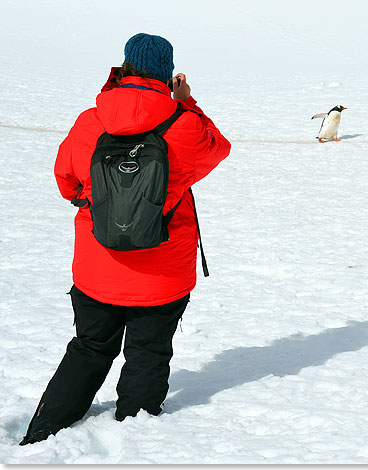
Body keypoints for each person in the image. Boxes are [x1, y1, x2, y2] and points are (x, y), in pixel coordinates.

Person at [20, 33, 231, 445]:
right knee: (148, 353)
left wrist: (98, 201)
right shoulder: (184, 124)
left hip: (98, 269)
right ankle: (136, 438)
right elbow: (217, 148)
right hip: (163, 274)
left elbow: (67, 182)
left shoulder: (90, 120)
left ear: (124, 67)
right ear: (167, 74)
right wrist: (186, 102)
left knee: (89, 347)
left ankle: (44, 431)